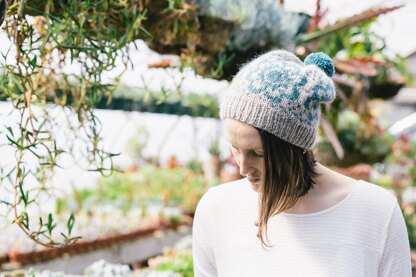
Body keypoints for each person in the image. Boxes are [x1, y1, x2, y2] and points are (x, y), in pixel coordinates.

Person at [192, 50, 411, 276]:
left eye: (257, 153)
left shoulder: (375, 212)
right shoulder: (216, 210)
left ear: (295, 148)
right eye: (235, 148)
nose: (242, 167)